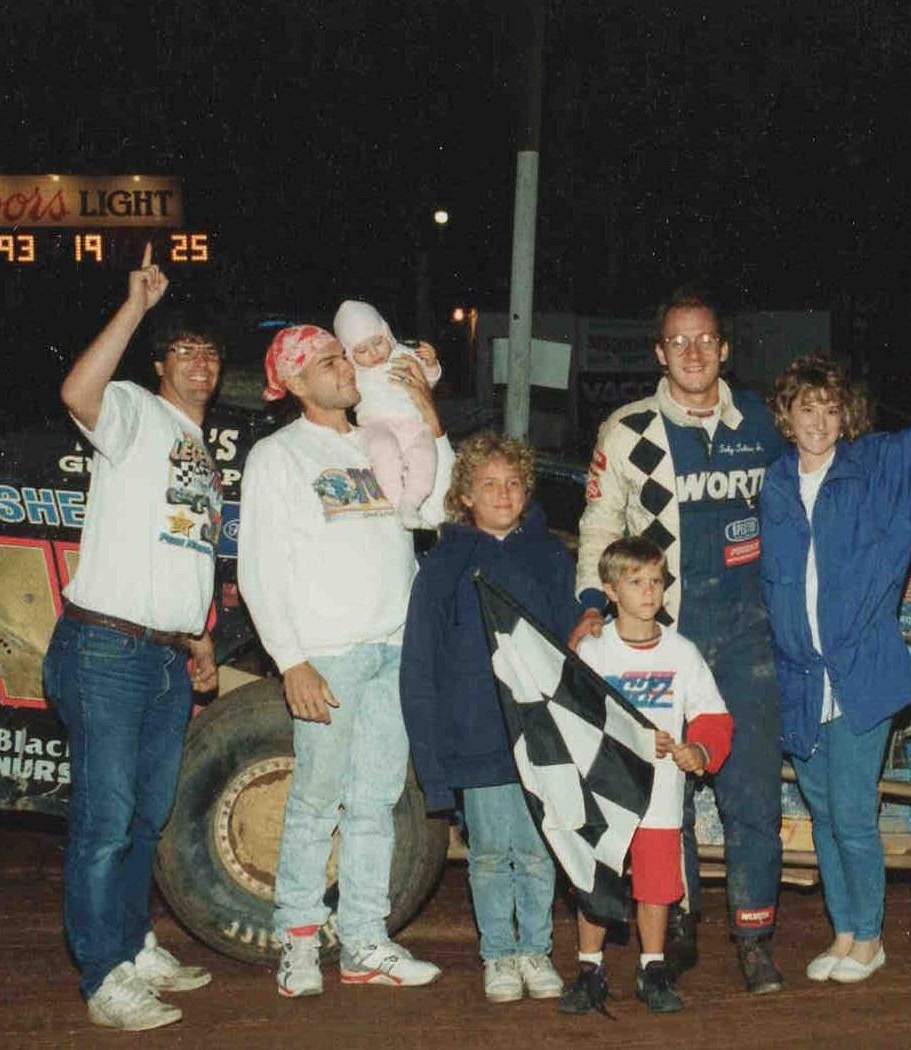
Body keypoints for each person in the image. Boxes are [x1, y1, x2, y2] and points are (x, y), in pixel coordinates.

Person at [759, 275, 911, 984]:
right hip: (798, 678)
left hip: (859, 674)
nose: (819, 421)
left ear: (844, 418)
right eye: (807, 409)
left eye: (831, 410)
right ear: (787, 415)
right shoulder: (770, 484)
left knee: (855, 814)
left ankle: (869, 939)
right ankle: (843, 932)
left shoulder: (875, 469)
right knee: (824, 812)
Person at [570, 291, 789, 993]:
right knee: (667, 786)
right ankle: (680, 919)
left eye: (705, 340)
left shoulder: (765, 420)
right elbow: (600, 522)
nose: (692, 353)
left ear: (724, 348)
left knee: (749, 793)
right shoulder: (626, 427)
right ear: (658, 352)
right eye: (677, 342)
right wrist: (589, 604)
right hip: (669, 632)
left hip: (752, 632)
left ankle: (754, 935)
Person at [238, 323, 452, 998]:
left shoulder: (376, 437)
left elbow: (436, 508)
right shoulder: (278, 456)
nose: (343, 367)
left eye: (341, 355)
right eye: (327, 361)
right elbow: (257, 567)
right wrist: (290, 659)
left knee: (377, 802)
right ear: (295, 382)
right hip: (327, 658)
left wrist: (427, 415)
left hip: (394, 647)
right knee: (314, 803)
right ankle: (299, 943)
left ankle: (363, 941)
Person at [42, 244, 221, 1031]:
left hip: (166, 655)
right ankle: (103, 976)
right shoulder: (133, 413)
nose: (200, 361)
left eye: (211, 351)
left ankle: (132, 940)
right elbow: (75, 389)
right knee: (106, 821)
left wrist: (200, 638)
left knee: (145, 819)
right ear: (159, 366)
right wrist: (138, 305)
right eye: (183, 350)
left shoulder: (202, 455)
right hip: (106, 649)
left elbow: (188, 552)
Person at [399, 433, 576, 1005]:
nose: (503, 493)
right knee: (491, 854)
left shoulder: (550, 557)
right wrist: (434, 762)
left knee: (538, 849)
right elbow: (420, 665)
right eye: (489, 484)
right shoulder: (443, 564)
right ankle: (499, 954)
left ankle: (538, 951)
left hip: (541, 738)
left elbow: (572, 646)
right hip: (476, 739)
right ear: (465, 496)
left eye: (514, 483)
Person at [566, 537, 734, 1015]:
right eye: (635, 582)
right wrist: (630, 739)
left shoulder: (681, 652)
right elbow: (572, 713)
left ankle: (652, 967)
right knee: (597, 877)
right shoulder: (596, 650)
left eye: (656, 581)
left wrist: (699, 750)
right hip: (604, 791)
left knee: (657, 882)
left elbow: (712, 714)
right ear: (610, 591)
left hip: (660, 792)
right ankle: (589, 967)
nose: (648, 591)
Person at [331, 299, 444, 527]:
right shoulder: (353, 372)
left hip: (413, 423)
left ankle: (411, 501)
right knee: (383, 452)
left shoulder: (404, 354)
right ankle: (395, 501)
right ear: (349, 354)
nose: (374, 353)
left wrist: (431, 365)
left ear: (386, 332)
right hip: (376, 425)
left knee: (425, 454)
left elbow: (428, 382)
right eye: (362, 350)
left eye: (378, 342)